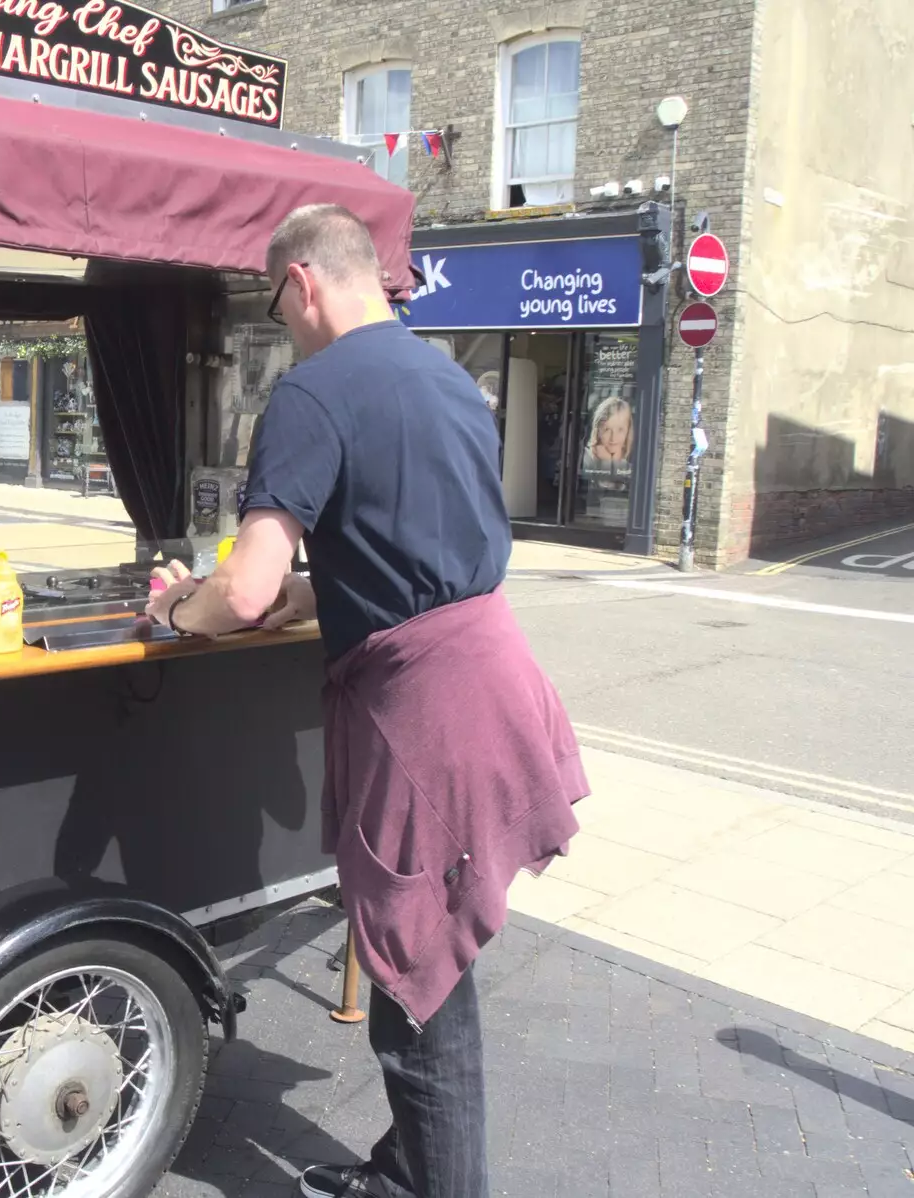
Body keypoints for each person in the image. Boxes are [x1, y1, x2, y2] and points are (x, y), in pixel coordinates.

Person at [145, 204, 589, 1198]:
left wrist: (181, 607)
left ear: (300, 281)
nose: (280, 326)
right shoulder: (449, 380)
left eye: (273, 303)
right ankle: (405, 1167)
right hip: (496, 685)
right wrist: (314, 593)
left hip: (429, 714)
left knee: (416, 986)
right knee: (427, 963)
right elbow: (399, 549)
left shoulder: (312, 393)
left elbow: (246, 588)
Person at [584, 395, 634, 466]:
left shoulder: (629, 469)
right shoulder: (585, 460)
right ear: (598, 430)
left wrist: (609, 462)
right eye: (607, 429)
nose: (613, 437)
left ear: (628, 431)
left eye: (620, 430)